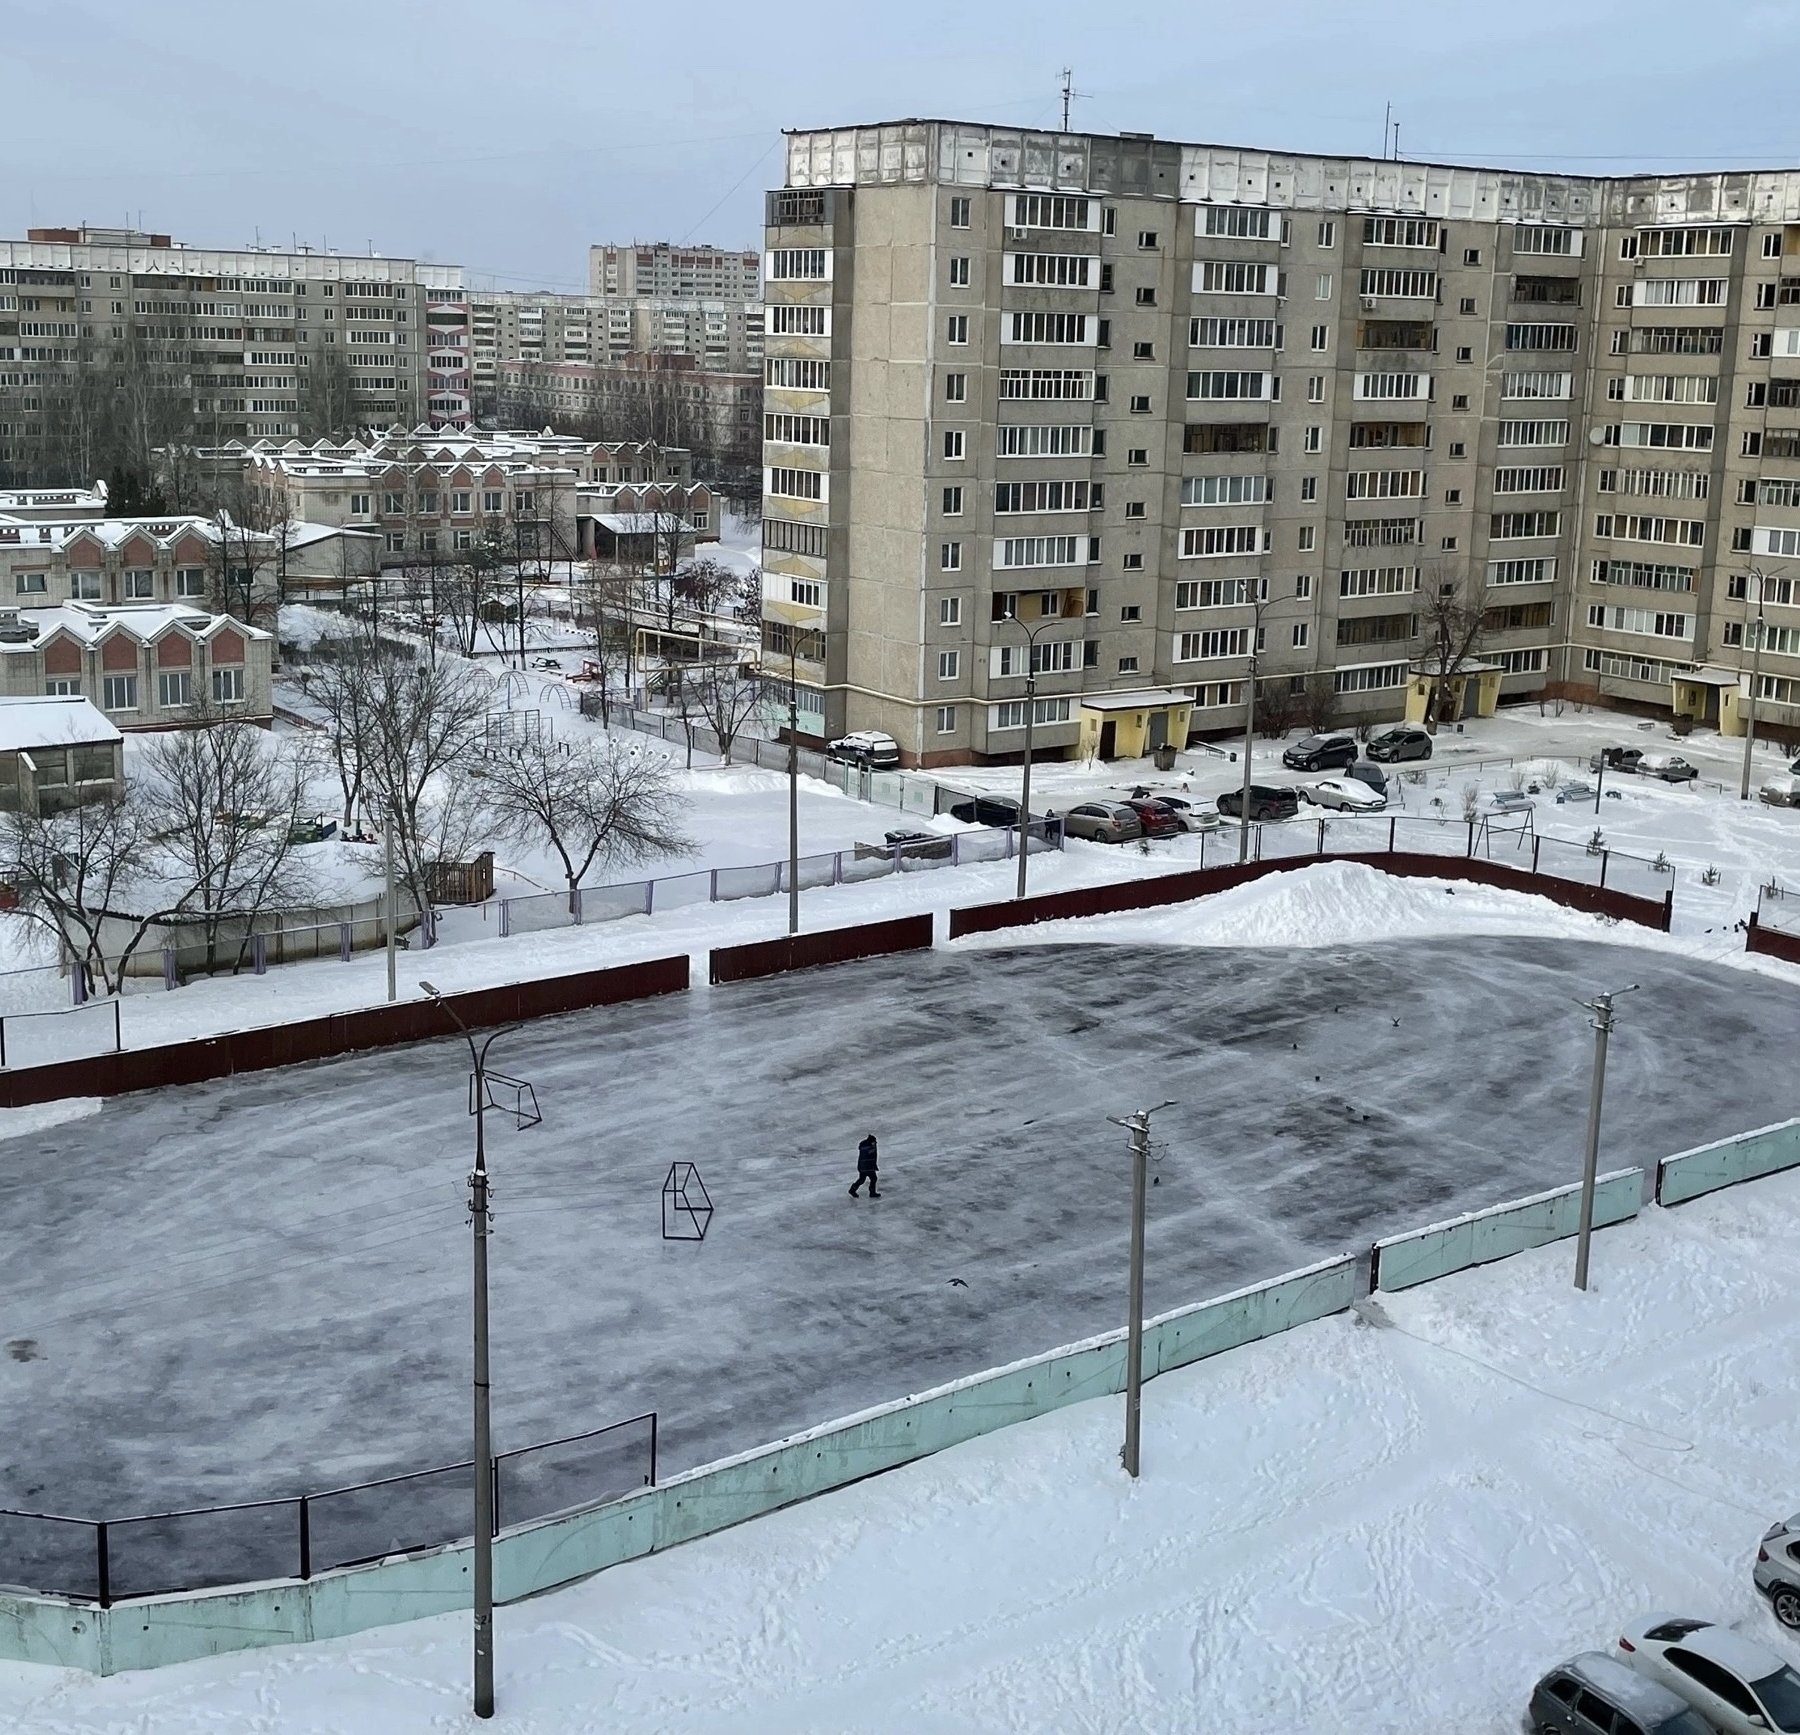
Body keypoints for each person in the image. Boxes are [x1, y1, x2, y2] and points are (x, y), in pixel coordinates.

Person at [849, 1132, 880, 1199]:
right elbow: (870, 1155)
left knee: (862, 1179)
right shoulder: (869, 1148)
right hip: (868, 1167)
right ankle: (872, 1193)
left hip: (863, 1167)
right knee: (873, 1178)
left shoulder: (864, 1146)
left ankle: (852, 1189)